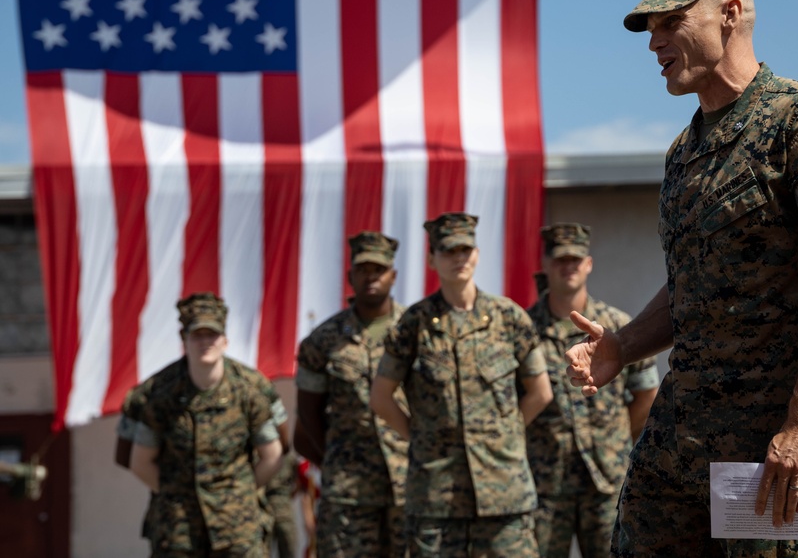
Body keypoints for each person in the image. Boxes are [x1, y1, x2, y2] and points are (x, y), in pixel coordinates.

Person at [563, 0, 798, 556]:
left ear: (730, 12)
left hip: (774, 438)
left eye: (670, 20)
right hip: (687, 429)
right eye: (648, 27)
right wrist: (623, 346)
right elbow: (692, 286)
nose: (654, 42)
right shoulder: (684, 152)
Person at [371, 212, 554, 557]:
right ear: (431, 259)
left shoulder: (509, 317)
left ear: (477, 253)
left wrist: (507, 431)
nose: (458, 258)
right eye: (448, 251)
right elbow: (381, 397)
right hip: (436, 494)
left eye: (465, 250)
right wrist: (421, 436)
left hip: (503, 489)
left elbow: (541, 392)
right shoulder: (414, 323)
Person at [525, 222, 660, 557]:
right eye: (560, 259)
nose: (568, 267)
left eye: (575, 259)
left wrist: (615, 439)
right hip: (545, 481)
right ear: (545, 264)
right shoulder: (523, 330)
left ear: (588, 264)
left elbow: (646, 394)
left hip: (605, 480)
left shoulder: (616, 327)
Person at [128, 292, 285, 556]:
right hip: (179, 528)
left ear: (225, 341)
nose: (205, 342)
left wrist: (239, 494)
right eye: (197, 335)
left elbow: (272, 456)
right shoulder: (161, 393)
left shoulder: (248, 390)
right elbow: (140, 462)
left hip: (237, 528)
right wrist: (177, 494)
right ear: (184, 340)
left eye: (211, 335)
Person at [294, 231, 409, 557]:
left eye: (379, 269)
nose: (371, 276)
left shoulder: (415, 330)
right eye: (363, 269)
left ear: (393, 275)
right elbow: (307, 415)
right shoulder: (323, 341)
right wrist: (336, 460)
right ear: (350, 276)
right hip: (348, 494)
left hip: (408, 485)